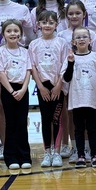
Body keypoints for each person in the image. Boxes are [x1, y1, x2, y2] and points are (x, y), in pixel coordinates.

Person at [64, 26, 96, 167]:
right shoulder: (70, 58)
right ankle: (81, 155)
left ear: (90, 40)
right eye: (78, 37)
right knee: (78, 129)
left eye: (84, 37)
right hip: (77, 100)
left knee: (92, 128)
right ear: (73, 42)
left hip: (92, 100)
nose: (81, 39)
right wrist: (70, 63)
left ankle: (94, 154)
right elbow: (66, 78)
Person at [0, 19, 32, 170]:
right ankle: (11, 157)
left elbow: (28, 71)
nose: (13, 33)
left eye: (16, 31)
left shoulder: (25, 51)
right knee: (10, 123)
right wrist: (11, 91)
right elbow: (0, 72)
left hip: (22, 89)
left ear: (21, 34)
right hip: (8, 90)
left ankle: (24, 156)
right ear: (3, 34)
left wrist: (22, 89)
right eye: (9, 31)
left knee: (22, 123)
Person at [30, 10, 68, 168]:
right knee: (45, 119)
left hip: (57, 86)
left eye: (51, 22)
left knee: (56, 119)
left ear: (56, 25)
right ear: (38, 24)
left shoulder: (62, 43)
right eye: (44, 22)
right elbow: (32, 67)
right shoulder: (34, 44)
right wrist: (40, 86)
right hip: (43, 87)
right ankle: (47, 152)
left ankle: (57, 152)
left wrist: (59, 84)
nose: (47, 25)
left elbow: (65, 64)